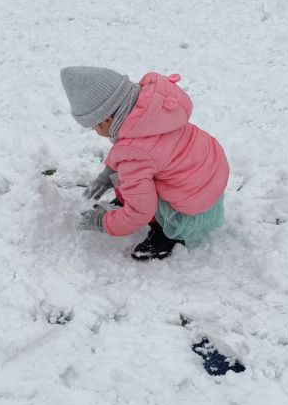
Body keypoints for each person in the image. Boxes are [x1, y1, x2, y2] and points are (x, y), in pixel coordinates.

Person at [60, 66, 229, 261]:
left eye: (93, 126)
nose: (95, 131)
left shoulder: (135, 152)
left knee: (128, 182)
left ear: (106, 119)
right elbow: (147, 153)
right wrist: (107, 175)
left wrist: (103, 222)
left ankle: (166, 234)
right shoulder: (154, 109)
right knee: (128, 179)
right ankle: (132, 200)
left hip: (192, 204)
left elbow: (140, 211)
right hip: (208, 179)